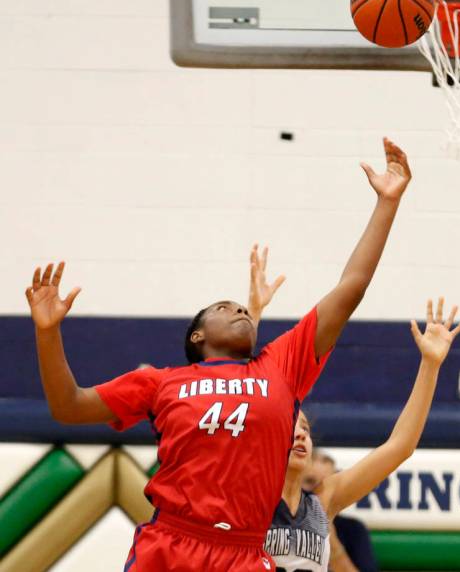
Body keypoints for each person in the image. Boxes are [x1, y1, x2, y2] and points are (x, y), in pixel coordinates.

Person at [25, 138, 411, 572]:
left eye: (243, 308)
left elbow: (350, 289)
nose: (241, 310)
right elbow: (67, 405)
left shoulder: (279, 367)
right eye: (225, 309)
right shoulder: (161, 382)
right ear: (197, 336)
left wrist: (387, 204)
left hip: (245, 553)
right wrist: (47, 333)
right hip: (171, 543)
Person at [265, 298, 460, 572]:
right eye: (291, 428)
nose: (300, 435)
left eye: (306, 430)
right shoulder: (249, 499)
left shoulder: (324, 500)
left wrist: (430, 364)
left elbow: (400, 447)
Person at [305, 451, 377, 572]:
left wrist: (331, 542)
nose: (320, 491)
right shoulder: (279, 523)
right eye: (310, 482)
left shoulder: (353, 530)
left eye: (329, 484)